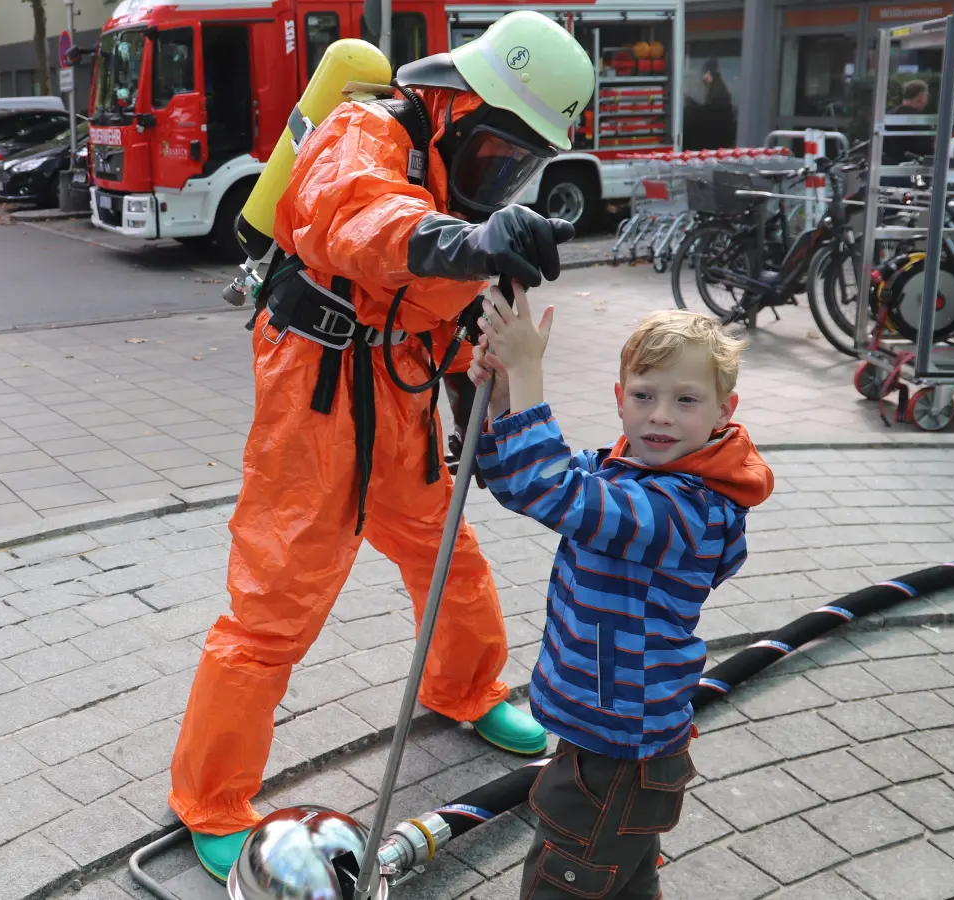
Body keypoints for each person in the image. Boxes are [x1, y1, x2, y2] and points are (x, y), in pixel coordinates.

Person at [168, 10, 596, 880]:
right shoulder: (366, 129)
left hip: (396, 392)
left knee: (445, 551)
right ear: (461, 103)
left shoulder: (454, 182)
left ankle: (465, 688)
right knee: (274, 601)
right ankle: (210, 799)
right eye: (500, 151)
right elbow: (355, 221)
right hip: (312, 395)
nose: (503, 175)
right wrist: (468, 243)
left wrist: (472, 388)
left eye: (520, 163)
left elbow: (439, 311)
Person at [468, 302, 774, 900]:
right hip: (605, 734)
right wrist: (505, 400)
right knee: (625, 885)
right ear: (618, 397)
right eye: (644, 395)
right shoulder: (622, 471)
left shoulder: (689, 510)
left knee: (564, 883)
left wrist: (531, 372)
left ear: (723, 411)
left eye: (686, 400)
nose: (660, 416)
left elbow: (550, 488)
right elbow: (517, 483)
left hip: (619, 750)